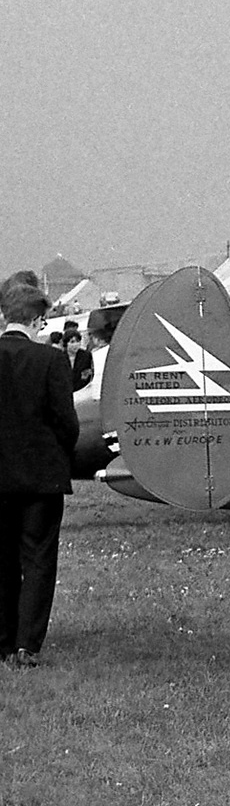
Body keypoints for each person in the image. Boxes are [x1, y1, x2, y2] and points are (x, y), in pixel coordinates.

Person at [0, 275, 80, 667]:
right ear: (35, 321)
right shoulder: (51, 359)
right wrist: (58, 455)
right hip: (40, 477)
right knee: (38, 559)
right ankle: (26, 644)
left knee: (1, 560)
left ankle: (2, 638)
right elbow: (67, 422)